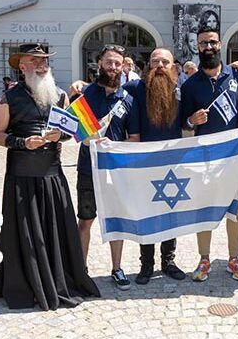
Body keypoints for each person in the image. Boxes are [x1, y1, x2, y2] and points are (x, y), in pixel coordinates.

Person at [0, 43, 99, 310]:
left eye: (45, 61)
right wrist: (22, 142)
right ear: (22, 66)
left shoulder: (60, 95)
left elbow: (77, 132)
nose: (42, 65)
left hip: (52, 175)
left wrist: (59, 136)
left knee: (54, 232)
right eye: (35, 60)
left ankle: (59, 280)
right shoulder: (8, 98)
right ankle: (27, 285)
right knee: (26, 235)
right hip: (22, 176)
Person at [182, 26, 238, 282]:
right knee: (204, 207)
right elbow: (184, 125)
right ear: (197, 48)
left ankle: (234, 258)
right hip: (204, 155)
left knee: (236, 207)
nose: (208, 48)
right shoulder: (190, 85)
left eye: (212, 43)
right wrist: (191, 119)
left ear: (220, 44)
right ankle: (204, 258)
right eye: (203, 44)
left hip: (234, 154)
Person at [124, 48, 187, 285]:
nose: (159, 65)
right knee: (146, 213)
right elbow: (107, 96)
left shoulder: (181, 91)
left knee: (170, 213)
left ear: (174, 67)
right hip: (144, 163)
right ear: (148, 66)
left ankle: (168, 261)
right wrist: (82, 87)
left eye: (165, 61)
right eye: (155, 61)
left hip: (173, 162)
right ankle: (146, 264)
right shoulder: (134, 89)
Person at [75, 44, 135, 291]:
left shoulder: (128, 99)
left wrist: (116, 147)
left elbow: (135, 138)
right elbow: (74, 132)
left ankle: (117, 268)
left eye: (117, 63)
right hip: (88, 167)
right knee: (85, 221)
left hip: (115, 170)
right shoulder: (85, 94)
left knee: (117, 221)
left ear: (124, 67)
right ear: (99, 63)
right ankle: (81, 270)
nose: (113, 67)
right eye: (109, 62)